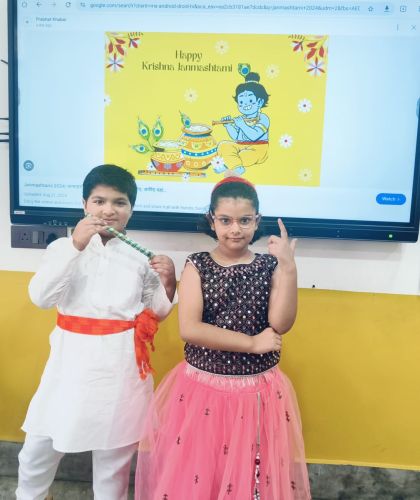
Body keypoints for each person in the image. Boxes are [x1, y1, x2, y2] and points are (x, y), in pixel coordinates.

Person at [135, 177, 311, 499]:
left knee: (249, 473)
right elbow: (190, 328)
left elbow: (280, 323)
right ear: (211, 220)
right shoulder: (197, 264)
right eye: (226, 220)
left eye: (245, 220)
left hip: (257, 392)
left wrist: (288, 268)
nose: (235, 229)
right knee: (203, 470)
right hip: (203, 390)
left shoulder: (268, 265)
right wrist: (252, 343)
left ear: (257, 221)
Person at [16, 164, 177, 500]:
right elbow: (41, 298)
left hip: (120, 373)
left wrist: (168, 283)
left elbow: (156, 314)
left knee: (113, 463)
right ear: (84, 204)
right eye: (99, 201)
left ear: (131, 209)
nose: (108, 210)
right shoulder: (62, 249)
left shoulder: (140, 257)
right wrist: (75, 245)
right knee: (37, 451)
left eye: (119, 202)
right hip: (68, 369)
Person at [215, 72, 270, 177]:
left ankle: (232, 165)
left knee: (241, 156)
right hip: (241, 145)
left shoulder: (263, 118)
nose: (245, 105)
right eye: (241, 102)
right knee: (223, 145)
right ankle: (233, 164)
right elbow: (236, 137)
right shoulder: (242, 119)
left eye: (250, 100)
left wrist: (242, 125)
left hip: (258, 149)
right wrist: (228, 126)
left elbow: (254, 136)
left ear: (260, 102)